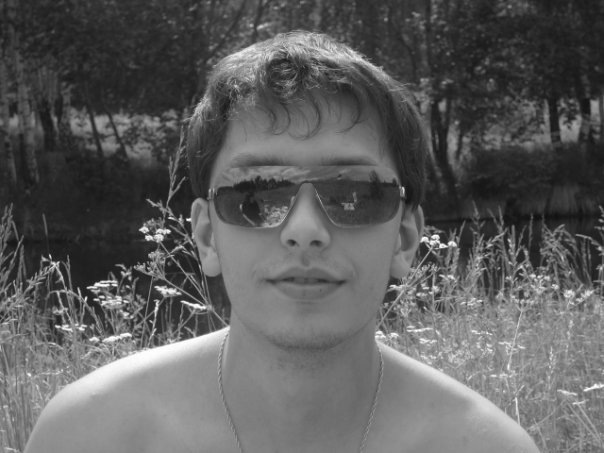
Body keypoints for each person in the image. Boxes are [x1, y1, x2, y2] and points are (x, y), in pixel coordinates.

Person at [24, 31, 539, 453]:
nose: (304, 230)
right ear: (207, 235)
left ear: (404, 238)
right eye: (257, 191)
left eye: (355, 194)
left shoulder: (487, 446)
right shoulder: (86, 434)